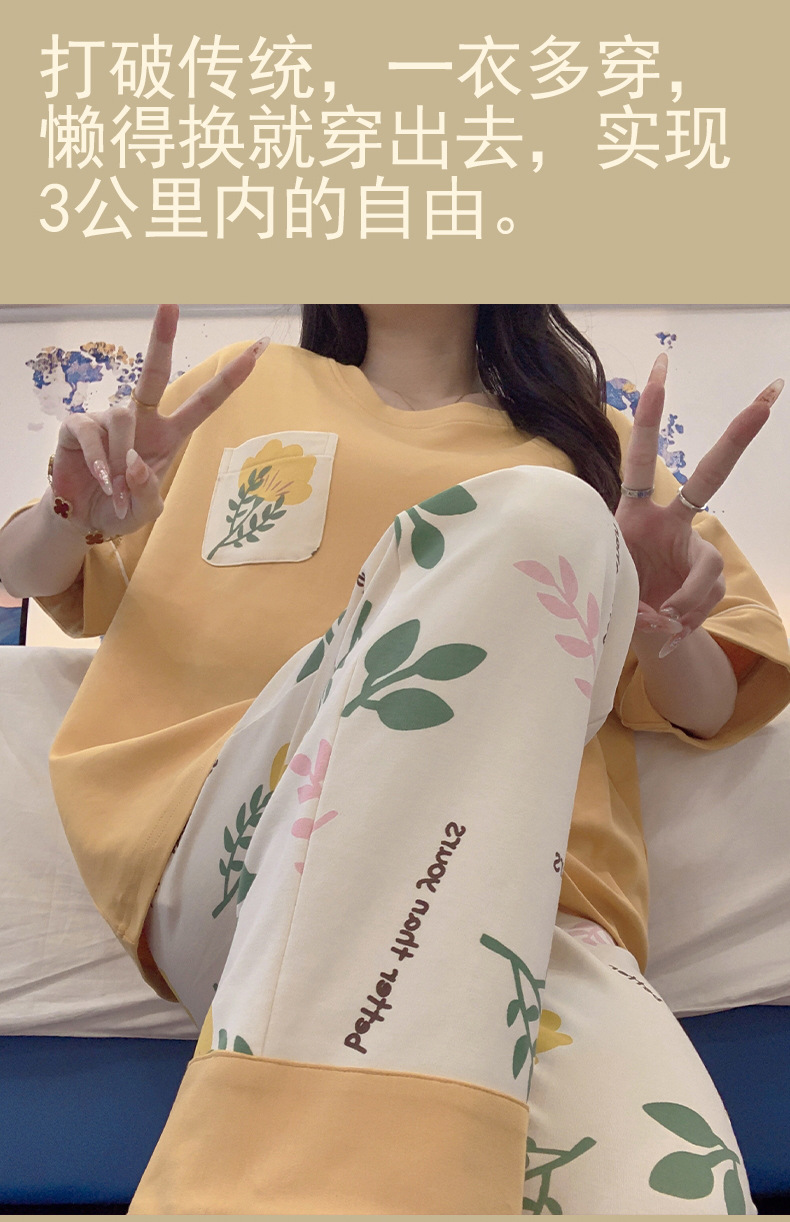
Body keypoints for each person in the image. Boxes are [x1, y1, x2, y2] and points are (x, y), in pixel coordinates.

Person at [0, 304, 788, 1215]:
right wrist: (72, 510)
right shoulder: (239, 389)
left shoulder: (600, 447)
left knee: (673, 1184)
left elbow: (713, 702)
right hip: (251, 853)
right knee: (545, 511)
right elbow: (29, 571)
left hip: (529, 912)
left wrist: (658, 626)